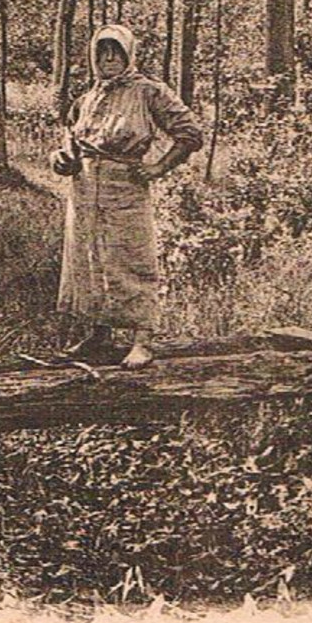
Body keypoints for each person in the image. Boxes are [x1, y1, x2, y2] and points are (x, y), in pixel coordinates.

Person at [50, 24, 204, 369]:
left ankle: (143, 339)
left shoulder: (148, 92)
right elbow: (70, 143)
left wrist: (158, 168)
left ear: (128, 55)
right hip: (85, 191)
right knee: (89, 260)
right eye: (102, 52)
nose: (108, 59)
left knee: (132, 260)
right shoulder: (87, 99)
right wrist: (61, 159)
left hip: (126, 190)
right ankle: (98, 335)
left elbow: (190, 133)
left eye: (115, 52)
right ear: (93, 57)